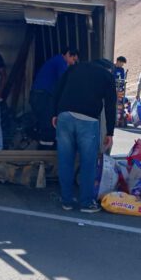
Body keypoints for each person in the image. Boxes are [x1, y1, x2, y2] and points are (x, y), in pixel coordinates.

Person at [52, 59, 117, 213]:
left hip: (65, 116)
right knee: (88, 163)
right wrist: (110, 132)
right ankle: (86, 203)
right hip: (88, 121)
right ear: (108, 69)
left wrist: (54, 113)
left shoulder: (75, 68)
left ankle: (66, 201)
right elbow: (110, 105)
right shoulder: (107, 76)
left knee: (65, 160)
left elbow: (57, 90)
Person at [30, 47, 79, 149]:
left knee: (45, 121)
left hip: (39, 94)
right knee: (48, 121)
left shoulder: (56, 60)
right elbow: (64, 81)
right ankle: (45, 151)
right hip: (42, 95)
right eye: (73, 60)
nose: (73, 63)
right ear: (68, 54)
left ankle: (44, 146)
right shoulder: (60, 62)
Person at [114, 56, 128, 128]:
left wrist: (123, 82)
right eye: (122, 63)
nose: (122, 65)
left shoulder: (122, 69)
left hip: (119, 89)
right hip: (112, 88)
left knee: (120, 103)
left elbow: (122, 79)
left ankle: (119, 119)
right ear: (118, 61)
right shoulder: (112, 67)